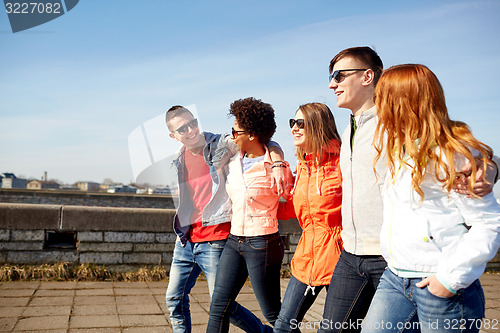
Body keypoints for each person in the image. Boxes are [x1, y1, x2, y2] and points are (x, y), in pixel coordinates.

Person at [318, 46, 500, 333]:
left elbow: (485, 209)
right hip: (386, 268)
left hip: (431, 278)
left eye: (339, 76)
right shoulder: (383, 140)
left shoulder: (429, 147)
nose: (332, 84)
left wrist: (488, 169)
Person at [164, 105, 287, 333]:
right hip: (186, 240)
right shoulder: (178, 158)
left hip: (215, 239)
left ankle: (264, 332)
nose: (191, 130)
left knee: (222, 306)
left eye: (193, 123)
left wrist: (278, 162)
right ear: (173, 135)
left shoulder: (220, 144)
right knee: (174, 299)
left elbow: (263, 139)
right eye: (183, 129)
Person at [206, 97, 286, 332]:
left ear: (251, 135)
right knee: (219, 306)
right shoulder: (232, 160)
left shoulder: (276, 167)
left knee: (273, 312)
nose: (232, 136)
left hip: (262, 243)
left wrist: (278, 159)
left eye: (236, 131)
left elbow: (290, 197)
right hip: (234, 240)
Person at [273, 102, 343, 333]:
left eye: (300, 123)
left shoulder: (343, 161)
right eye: (292, 122)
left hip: (341, 259)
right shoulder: (304, 164)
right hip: (307, 256)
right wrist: (266, 209)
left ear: (318, 125)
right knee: (283, 327)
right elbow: (297, 207)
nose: (294, 128)